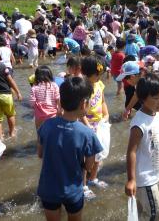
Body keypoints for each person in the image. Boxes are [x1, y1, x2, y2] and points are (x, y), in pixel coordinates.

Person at [37, 76, 103, 221]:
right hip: (73, 190)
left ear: (61, 101)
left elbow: (40, 153)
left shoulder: (46, 125)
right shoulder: (87, 134)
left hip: (48, 189)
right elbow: (89, 165)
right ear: (83, 104)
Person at [125, 73, 159, 221]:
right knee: (157, 214)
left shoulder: (155, 113)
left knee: (144, 211)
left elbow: (155, 136)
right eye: (156, 98)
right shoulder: (139, 124)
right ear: (142, 98)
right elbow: (131, 152)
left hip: (153, 173)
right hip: (144, 179)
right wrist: (131, 180)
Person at [81, 56, 110, 199]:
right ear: (87, 74)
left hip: (99, 125)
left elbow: (103, 101)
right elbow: (80, 111)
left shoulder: (99, 84)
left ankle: (93, 178)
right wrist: (87, 126)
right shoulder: (83, 88)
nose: (100, 77)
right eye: (97, 74)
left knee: (98, 154)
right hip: (87, 127)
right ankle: (84, 185)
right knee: (86, 158)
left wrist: (106, 113)